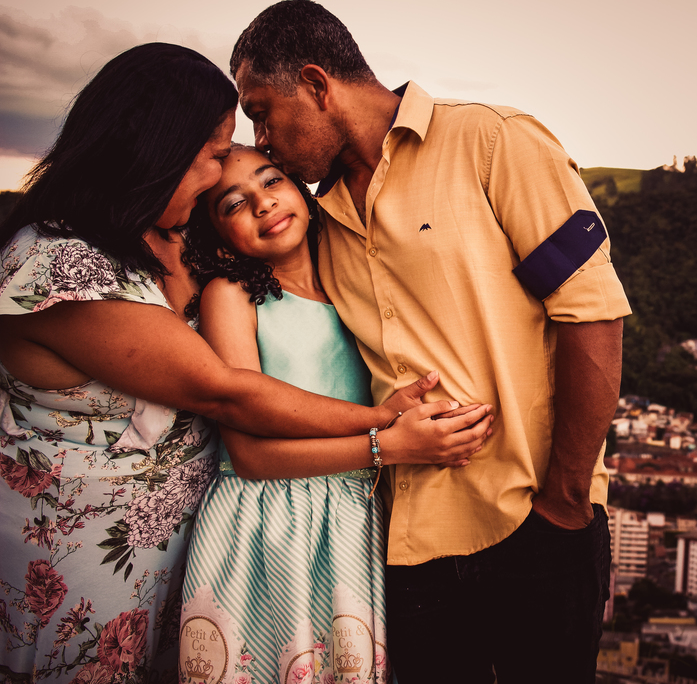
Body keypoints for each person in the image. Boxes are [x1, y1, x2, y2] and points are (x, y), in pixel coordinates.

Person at [0, 44, 490, 683]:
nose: (219, 172)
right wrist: (384, 429)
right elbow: (228, 393)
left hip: (193, 555)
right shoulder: (59, 266)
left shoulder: (175, 239)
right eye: (210, 159)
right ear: (160, 152)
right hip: (80, 570)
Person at [230, 0, 631, 682]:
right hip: (404, 547)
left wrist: (564, 501)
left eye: (262, 111)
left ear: (318, 84)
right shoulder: (313, 214)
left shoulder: (495, 143)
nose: (262, 138)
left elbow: (591, 313)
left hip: (534, 524)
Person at [177, 144, 493, 684]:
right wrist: (388, 442)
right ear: (215, 232)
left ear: (300, 187)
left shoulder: (354, 282)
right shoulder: (230, 296)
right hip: (270, 525)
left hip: (354, 519)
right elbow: (249, 456)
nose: (263, 204)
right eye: (233, 204)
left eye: (271, 181)